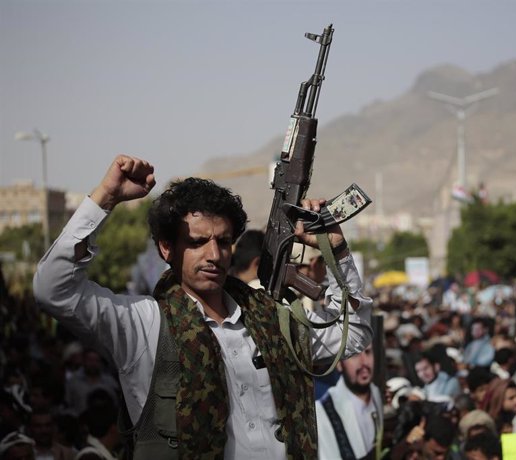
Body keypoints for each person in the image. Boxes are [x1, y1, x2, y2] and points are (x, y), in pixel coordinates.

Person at [33, 155, 372, 459]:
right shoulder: (145, 325)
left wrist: (337, 252)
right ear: (167, 249)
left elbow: (354, 332)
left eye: (223, 242)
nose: (214, 255)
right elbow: (53, 289)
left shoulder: (271, 321)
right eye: (197, 242)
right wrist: (104, 198)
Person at [315, 345, 383, 459]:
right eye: (354, 354)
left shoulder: (380, 395)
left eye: (368, 352)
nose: (364, 362)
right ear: (338, 364)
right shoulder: (322, 413)